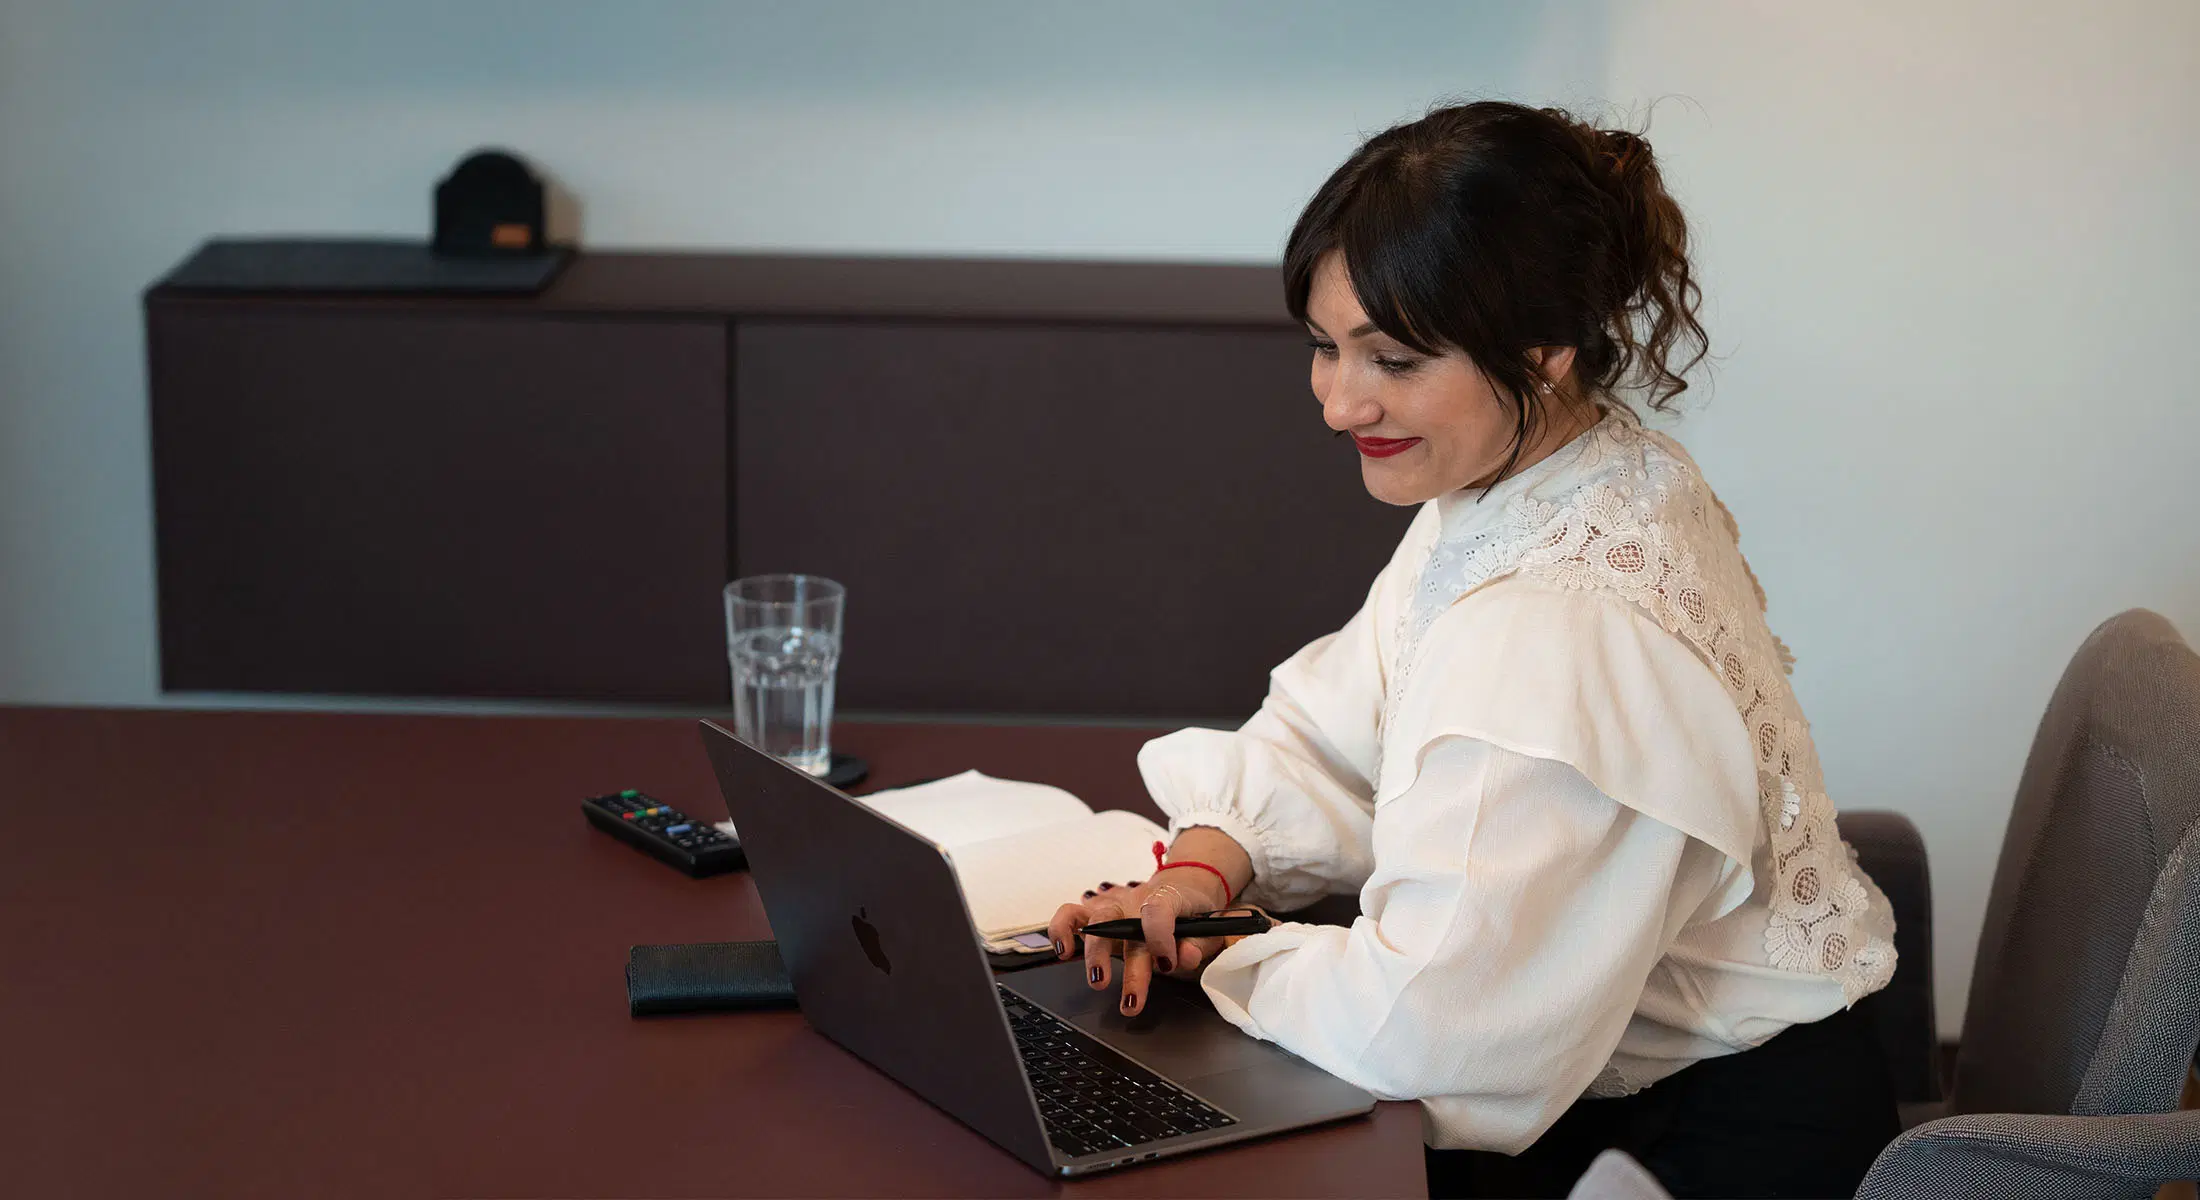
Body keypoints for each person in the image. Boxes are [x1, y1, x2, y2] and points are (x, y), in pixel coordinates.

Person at [1046, 100, 1902, 1199]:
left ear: (1543, 349)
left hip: (1705, 1150)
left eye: (1392, 360)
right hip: (1634, 1084)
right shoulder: (1552, 480)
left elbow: (1433, 1036)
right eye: (1324, 346)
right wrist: (1203, 870)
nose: (1339, 403)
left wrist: (1230, 951)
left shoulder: (1556, 623)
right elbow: (1340, 726)